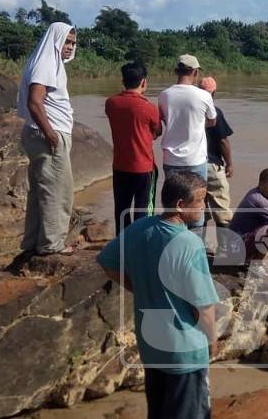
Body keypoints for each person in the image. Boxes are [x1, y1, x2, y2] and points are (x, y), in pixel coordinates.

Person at [97, 171, 218, 419]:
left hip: (152, 345)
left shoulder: (140, 228)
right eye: (201, 201)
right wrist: (213, 341)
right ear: (180, 205)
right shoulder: (189, 244)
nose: (205, 207)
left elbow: (107, 261)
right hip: (185, 350)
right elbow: (203, 306)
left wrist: (138, 287)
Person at [16, 22, 77, 256]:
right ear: (55, 40)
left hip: (42, 133)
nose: (70, 47)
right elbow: (35, 101)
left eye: (73, 42)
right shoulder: (45, 64)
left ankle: (33, 241)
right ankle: (52, 243)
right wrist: (50, 133)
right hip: (48, 134)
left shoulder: (48, 62)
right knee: (58, 190)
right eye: (67, 41)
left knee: (41, 190)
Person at [105, 61, 162, 234]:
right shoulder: (148, 107)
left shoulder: (111, 103)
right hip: (143, 167)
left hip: (120, 166)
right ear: (143, 82)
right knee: (143, 209)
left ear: (123, 81)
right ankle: (141, 242)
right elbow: (158, 131)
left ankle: (121, 244)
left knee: (121, 209)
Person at [158, 54, 217, 185]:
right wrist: (197, 123)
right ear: (195, 72)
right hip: (195, 160)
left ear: (176, 72)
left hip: (171, 160)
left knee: (173, 202)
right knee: (196, 202)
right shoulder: (205, 95)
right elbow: (212, 121)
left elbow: (165, 121)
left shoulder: (164, 95)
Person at [199, 76, 234, 252]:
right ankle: (225, 250)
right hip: (212, 165)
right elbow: (223, 141)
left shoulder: (193, 110)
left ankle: (199, 247)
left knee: (199, 209)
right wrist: (230, 164)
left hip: (193, 165)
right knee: (222, 209)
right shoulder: (215, 111)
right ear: (214, 93)